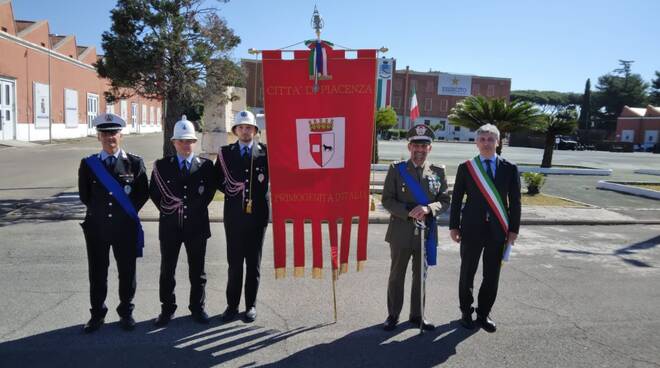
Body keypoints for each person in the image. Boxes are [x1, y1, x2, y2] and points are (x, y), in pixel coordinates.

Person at [78, 113, 149, 333]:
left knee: (127, 272)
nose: (110, 137)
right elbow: (85, 195)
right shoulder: (89, 164)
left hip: (124, 229)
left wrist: (124, 215)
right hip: (97, 228)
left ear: (121, 135)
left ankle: (126, 312)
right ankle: (97, 314)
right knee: (97, 272)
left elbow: (142, 193)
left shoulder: (134, 162)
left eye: (114, 133)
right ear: (98, 136)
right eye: (105, 133)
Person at [449, 123, 521, 333]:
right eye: (482, 139)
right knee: (467, 272)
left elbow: (515, 202)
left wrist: (513, 230)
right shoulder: (467, 168)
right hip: (471, 228)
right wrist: (454, 226)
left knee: (491, 275)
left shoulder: (509, 168)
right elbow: (456, 200)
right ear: (476, 142)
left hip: (498, 230)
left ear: (498, 142)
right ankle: (465, 312)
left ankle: (483, 313)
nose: (486, 143)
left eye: (491, 139)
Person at [381, 123, 450, 331]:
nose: (419, 150)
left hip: (426, 233)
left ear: (430, 148)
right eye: (415, 146)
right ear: (409, 146)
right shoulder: (397, 169)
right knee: (396, 276)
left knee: (421, 276)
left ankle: (417, 314)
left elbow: (444, 200)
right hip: (401, 232)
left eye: (424, 147)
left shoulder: (438, 171)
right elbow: (387, 200)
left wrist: (429, 209)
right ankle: (393, 314)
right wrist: (407, 212)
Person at [150, 115, 216, 326]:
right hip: (170, 226)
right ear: (174, 143)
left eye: (190, 141)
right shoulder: (161, 166)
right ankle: (167, 309)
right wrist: (170, 210)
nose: (186, 145)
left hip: (196, 226)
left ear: (194, 143)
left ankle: (197, 308)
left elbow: (209, 193)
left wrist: (193, 209)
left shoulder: (205, 166)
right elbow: (155, 193)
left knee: (198, 271)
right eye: (182, 141)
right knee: (167, 270)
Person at [215, 110, 269, 323]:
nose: (245, 131)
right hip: (235, 215)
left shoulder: (266, 153)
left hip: (258, 216)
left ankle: (251, 305)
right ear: (235, 130)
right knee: (235, 263)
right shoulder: (225, 153)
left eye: (249, 128)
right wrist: (233, 191)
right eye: (241, 127)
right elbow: (217, 179)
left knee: (253, 263)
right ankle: (232, 305)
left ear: (255, 131)